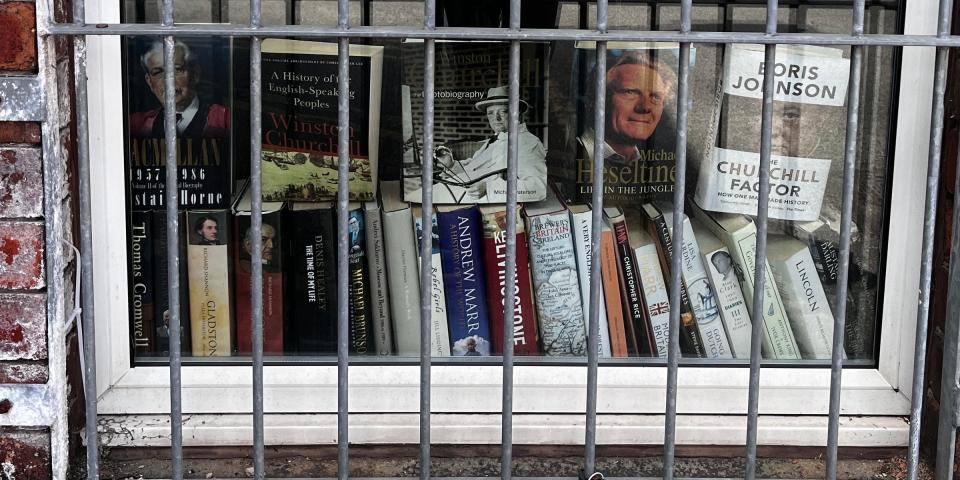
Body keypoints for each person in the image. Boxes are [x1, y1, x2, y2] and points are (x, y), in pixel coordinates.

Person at [434, 85, 547, 202]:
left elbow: (538, 188)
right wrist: (452, 165)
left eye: (503, 112)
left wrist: (489, 188)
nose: (496, 118)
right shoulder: (495, 140)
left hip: (468, 200)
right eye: (490, 113)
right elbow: (474, 169)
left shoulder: (527, 143)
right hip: (453, 191)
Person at [578, 50, 678, 165]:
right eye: (630, 92)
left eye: (655, 97)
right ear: (595, 98)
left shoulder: (655, 164)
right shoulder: (568, 154)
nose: (645, 107)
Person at [129, 40, 230, 138]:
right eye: (157, 72)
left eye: (177, 70)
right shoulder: (137, 125)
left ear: (195, 74)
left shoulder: (225, 120)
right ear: (150, 82)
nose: (167, 81)